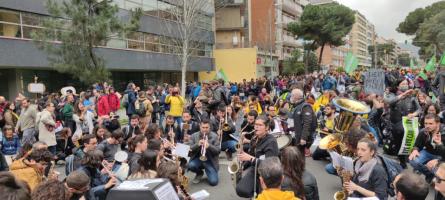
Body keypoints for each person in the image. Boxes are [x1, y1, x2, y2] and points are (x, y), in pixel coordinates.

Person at [236, 116, 279, 198]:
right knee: (240, 190)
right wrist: (243, 165)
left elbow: (270, 165)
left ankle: (259, 195)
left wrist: (251, 159)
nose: (256, 127)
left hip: (267, 174)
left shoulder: (271, 141)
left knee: (247, 191)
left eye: (260, 125)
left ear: (267, 128)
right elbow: (252, 154)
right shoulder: (254, 138)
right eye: (255, 124)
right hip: (255, 168)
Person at [409, 114, 444, 183]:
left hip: (441, 155)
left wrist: (438, 161)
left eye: (431, 123)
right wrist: (415, 150)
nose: (427, 126)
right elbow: (417, 145)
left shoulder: (443, 133)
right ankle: (430, 174)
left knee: (437, 169)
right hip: (428, 152)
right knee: (412, 160)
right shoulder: (423, 131)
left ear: (438, 123)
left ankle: (436, 174)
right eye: (426, 123)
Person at [186, 119, 220, 186]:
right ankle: (199, 173)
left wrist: (209, 146)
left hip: (210, 161)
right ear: (200, 127)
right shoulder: (194, 136)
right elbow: (188, 149)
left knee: (213, 182)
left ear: (209, 127)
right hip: (198, 159)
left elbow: (218, 151)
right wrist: (197, 144)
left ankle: (211, 171)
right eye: (203, 127)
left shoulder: (214, 136)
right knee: (190, 165)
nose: (205, 129)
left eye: (207, 127)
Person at [290, 88, 316, 154]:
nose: (291, 97)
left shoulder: (305, 106)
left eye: (292, 95)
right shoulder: (297, 106)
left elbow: (307, 123)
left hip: (301, 137)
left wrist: (304, 138)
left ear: (296, 96)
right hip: (296, 136)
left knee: (300, 157)